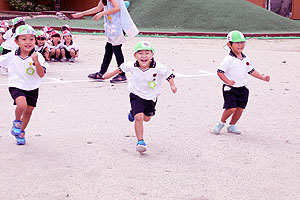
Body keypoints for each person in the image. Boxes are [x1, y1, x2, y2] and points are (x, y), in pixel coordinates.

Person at [103, 41, 177, 153]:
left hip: (151, 97)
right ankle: (140, 141)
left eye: (147, 53)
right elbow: (120, 69)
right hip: (136, 94)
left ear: (152, 55)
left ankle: (133, 112)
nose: (143, 56)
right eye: (140, 53)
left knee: (146, 118)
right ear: (135, 55)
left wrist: (172, 85)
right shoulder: (131, 65)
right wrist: (108, 75)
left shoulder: (158, 67)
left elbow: (169, 75)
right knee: (139, 117)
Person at [213, 30, 270, 135]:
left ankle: (232, 125)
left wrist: (262, 77)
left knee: (240, 109)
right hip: (230, 89)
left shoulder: (246, 58)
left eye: (242, 42)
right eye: (237, 43)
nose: (240, 45)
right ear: (229, 44)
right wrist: (228, 81)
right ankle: (220, 123)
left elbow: (251, 70)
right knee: (231, 109)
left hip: (242, 88)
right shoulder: (228, 59)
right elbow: (220, 72)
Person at [0, 24, 48, 145]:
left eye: (31, 39)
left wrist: (36, 61)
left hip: (33, 87)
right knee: (21, 105)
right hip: (16, 85)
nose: (28, 42)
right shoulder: (11, 56)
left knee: (28, 111)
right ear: (16, 41)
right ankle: (16, 122)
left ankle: (21, 131)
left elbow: (41, 74)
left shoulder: (39, 56)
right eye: (24, 39)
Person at [72, 0, 139, 83]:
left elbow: (117, 8)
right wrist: (82, 14)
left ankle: (122, 75)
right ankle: (101, 73)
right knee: (109, 48)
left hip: (118, 26)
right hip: (113, 27)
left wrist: (102, 13)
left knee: (116, 49)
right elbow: (98, 8)